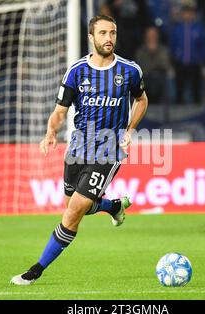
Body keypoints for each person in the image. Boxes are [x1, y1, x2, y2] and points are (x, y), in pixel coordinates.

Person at [11, 15, 149, 285]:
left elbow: (141, 100)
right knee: (74, 209)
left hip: (109, 149)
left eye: (112, 33)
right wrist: (50, 133)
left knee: (74, 212)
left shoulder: (130, 70)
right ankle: (114, 205)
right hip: (77, 148)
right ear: (91, 37)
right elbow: (60, 112)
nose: (108, 38)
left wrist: (129, 129)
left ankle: (35, 271)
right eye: (103, 33)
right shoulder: (76, 71)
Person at [169, 5, 205, 105]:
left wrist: (200, 58)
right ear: (182, 15)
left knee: (196, 91)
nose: (188, 15)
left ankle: (198, 112)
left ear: (194, 15)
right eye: (186, 13)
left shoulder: (199, 29)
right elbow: (172, 45)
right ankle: (178, 114)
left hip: (194, 64)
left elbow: (204, 46)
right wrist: (175, 58)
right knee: (179, 91)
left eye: (190, 13)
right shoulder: (177, 29)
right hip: (180, 64)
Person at [135, 26, 174, 104]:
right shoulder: (140, 51)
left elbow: (165, 65)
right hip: (145, 78)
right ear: (145, 36)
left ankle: (166, 109)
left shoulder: (163, 50)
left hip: (160, 77)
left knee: (165, 80)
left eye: (154, 34)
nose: (152, 36)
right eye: (150, 34)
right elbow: (140, 67)